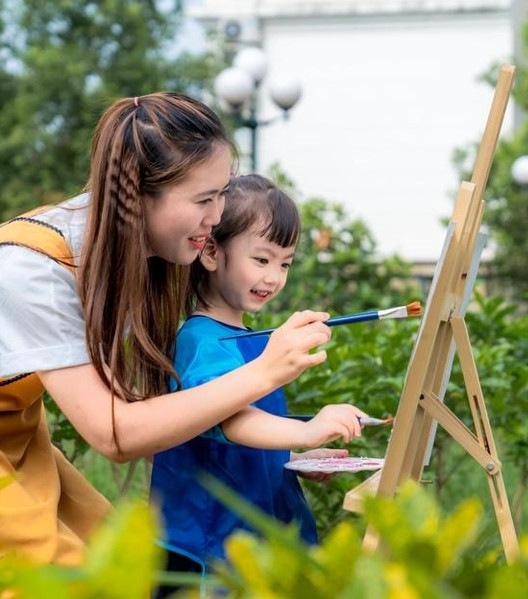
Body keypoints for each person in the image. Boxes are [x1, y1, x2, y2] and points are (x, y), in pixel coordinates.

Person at [0, 93, 334, 569]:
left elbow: (162, 412)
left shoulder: (133, 252)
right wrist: (265, 371)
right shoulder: (28, 270)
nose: (218, 216)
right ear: (138, 196)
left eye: (222, 194)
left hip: (11, 428)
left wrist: (293, 437)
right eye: (204, 198)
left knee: (118, 568)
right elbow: (113, 433)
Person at [150, 174, 367, 589]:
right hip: (211, 549)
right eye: (262, 259)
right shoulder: (201, 340)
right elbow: (231, 422)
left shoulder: (253, 341)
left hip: (256, 540)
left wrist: (298, 458)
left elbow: (256, 432)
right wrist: (306, 431)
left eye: (285, 263)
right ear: (211, 252)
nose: (274, 277)